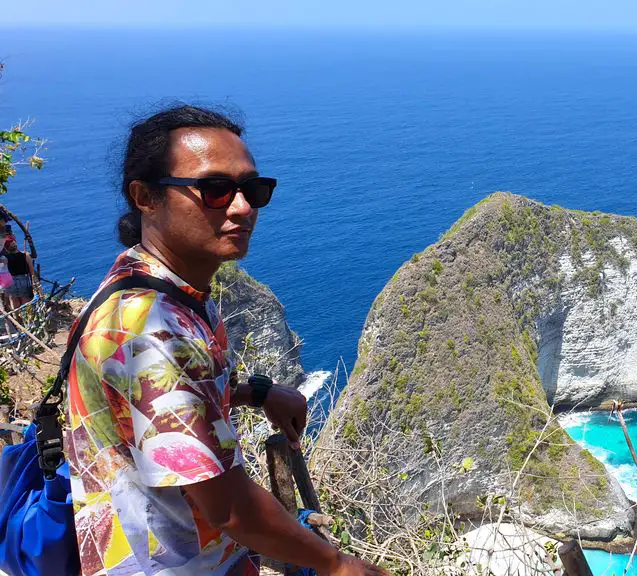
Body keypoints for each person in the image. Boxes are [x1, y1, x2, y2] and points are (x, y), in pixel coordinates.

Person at [65, 105, 389, 576]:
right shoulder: (149, 328)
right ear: (144, 197)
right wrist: (337, 564)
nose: (242, 207)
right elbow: (228, 508)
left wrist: (255, 393)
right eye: (214, 189)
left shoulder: (155, 283)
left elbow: (159, 401)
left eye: (253, 190)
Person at [2, 236, 34, 309]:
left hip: (10, 282)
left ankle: (17, 319)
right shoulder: (25, 255)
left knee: (14, 305)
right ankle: (26, 319)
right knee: (26, 305)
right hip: (23, 281)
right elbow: (32, 272)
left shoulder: (4, 258)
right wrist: (34, 285)